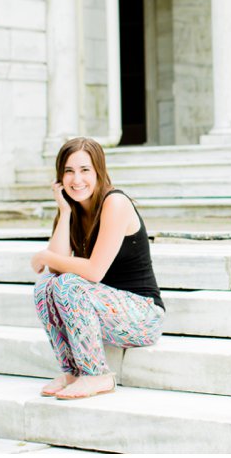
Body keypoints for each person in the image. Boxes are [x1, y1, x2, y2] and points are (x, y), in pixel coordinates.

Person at [31, 137, 165, 400]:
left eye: (84, 170)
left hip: (143, 315)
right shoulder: (75, 209)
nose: (76, 179)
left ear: (98, 171)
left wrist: (45, 255)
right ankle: (72, 372)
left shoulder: (115, 203)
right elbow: (56, 268)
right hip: (104, 307)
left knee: (68, 284)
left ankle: (97, 374)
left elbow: (94, 272)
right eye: (68, 171)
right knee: (46, 286)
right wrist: (65, 211)